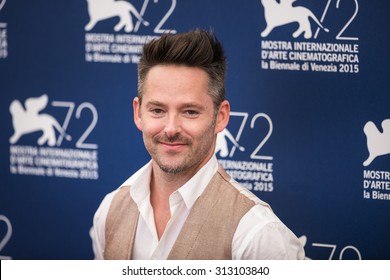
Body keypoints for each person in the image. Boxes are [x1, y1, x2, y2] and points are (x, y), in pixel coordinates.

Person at [91, 29, 305, 260]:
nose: (171, 128)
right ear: (138, 113)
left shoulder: (257, 235)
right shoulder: (109, 211)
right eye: (157, 110)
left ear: (221, 116)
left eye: (190, 112)